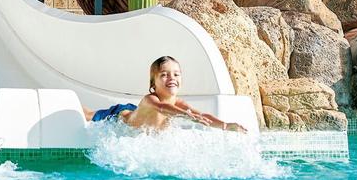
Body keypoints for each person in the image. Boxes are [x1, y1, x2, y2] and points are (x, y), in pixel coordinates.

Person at [82, 56, 247, 133]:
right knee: (87, 115)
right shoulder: (150, 99)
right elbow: (161, 107)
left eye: (176, 74)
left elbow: (202, 116)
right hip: (119, 115)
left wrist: (225, 125)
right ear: (153, 83)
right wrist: (186, 115)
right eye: (164, 75)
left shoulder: (179, 104)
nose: (171, 78)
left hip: (140, 115)